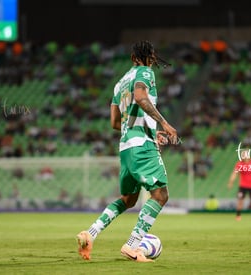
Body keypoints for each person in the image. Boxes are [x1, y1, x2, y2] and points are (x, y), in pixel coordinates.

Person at [76, 41, 178, 262]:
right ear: (150, 58)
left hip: (126, 146)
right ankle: (132, 245)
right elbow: (141, 98)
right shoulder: (145, 72)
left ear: (132, 58)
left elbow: (115, 122)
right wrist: (164, 124)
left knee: (128, 199)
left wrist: (150, 129)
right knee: (160, 195)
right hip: (141, 145)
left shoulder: (119, 84)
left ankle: (90, 233)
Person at [227, 150, 251, 221]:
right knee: (240, 201)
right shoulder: (239, 164)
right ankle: (238, 216)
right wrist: (231, 182)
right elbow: (235, 173)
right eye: (242, 154)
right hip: (242, 186)